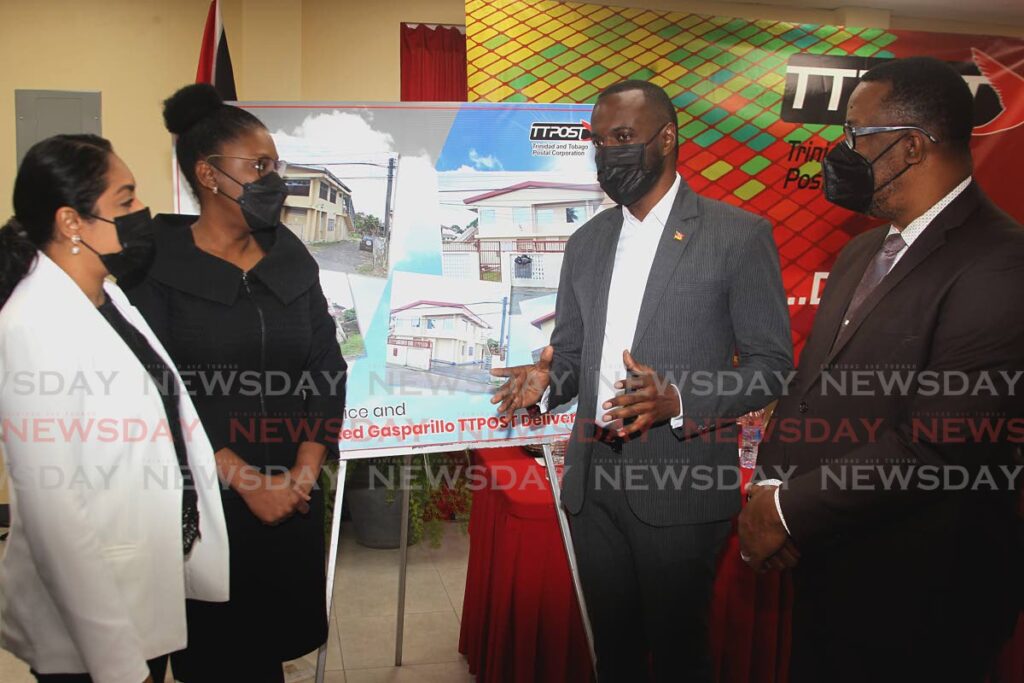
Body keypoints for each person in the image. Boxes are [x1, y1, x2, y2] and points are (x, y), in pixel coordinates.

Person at [492, 80, 793, 681]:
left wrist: (678, 401)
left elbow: (772, 367)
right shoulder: (586, 243)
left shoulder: (737, 235)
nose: (609, 154)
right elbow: (573, 353)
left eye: (623, 138)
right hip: (592, 484)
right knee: (616, 656)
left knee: (681, 657)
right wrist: (547, 381)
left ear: (667, 139)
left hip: (680, 485)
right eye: (598, 141)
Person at [739, 57, 1024, 682]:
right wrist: (773, 486)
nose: (840, 154)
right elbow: (813, 388)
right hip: (829, 561)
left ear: (912, 146)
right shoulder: (862, 249)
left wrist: (788, 510)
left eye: (854, 136)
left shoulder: (1002, 263)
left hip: (924, 592)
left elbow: (940, 446)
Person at [125, 84, 347, 683]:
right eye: (259, 166)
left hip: (291, 493)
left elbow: (327, 367)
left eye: (275, 166)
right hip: (204, 501)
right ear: (208, 175)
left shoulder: (290, 257)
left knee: (267, 653)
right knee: (217, 659)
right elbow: (159, 394)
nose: (275, 180)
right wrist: (245, 481)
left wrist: (303, 472)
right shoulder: (158, 268)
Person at [0, 134, 229, 682]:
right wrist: (118, 666)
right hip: (95, 623)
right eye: (125, 202)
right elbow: (55, 516)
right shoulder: (31, 325)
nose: (141, 214)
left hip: (145, 583)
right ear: (71, 222)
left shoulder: (109, 297)